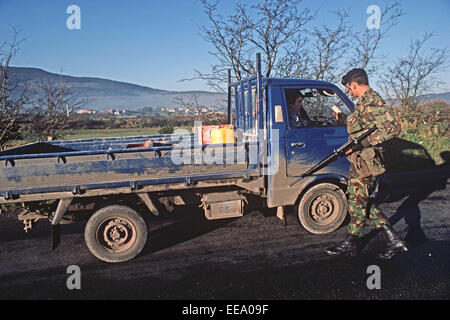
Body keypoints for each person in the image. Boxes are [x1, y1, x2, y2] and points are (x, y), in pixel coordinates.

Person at [325, 68, 408, 260]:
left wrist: (360, 145)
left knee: (357, 200)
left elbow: (393, 128)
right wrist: (344, 120)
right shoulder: (363, 103)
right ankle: (393, 239)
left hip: (367, 161)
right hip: (360, 160)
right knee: (360, 199)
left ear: (354, 84)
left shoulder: (373, 101)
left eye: (349, 88)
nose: (349, 92)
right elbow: (363, 126)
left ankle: (351, 241)